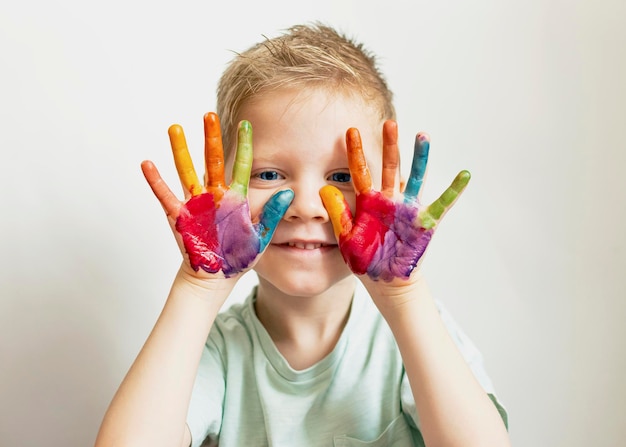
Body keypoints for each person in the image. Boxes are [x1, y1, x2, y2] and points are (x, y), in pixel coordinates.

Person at [95, 24, 510, 447]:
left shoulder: (413, 337)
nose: (307, 205)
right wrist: (198, 286)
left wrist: (404, 298)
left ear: (388, 191)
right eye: (269, 174)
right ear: (219, 189)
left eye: (343, 176)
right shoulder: (215, 351)